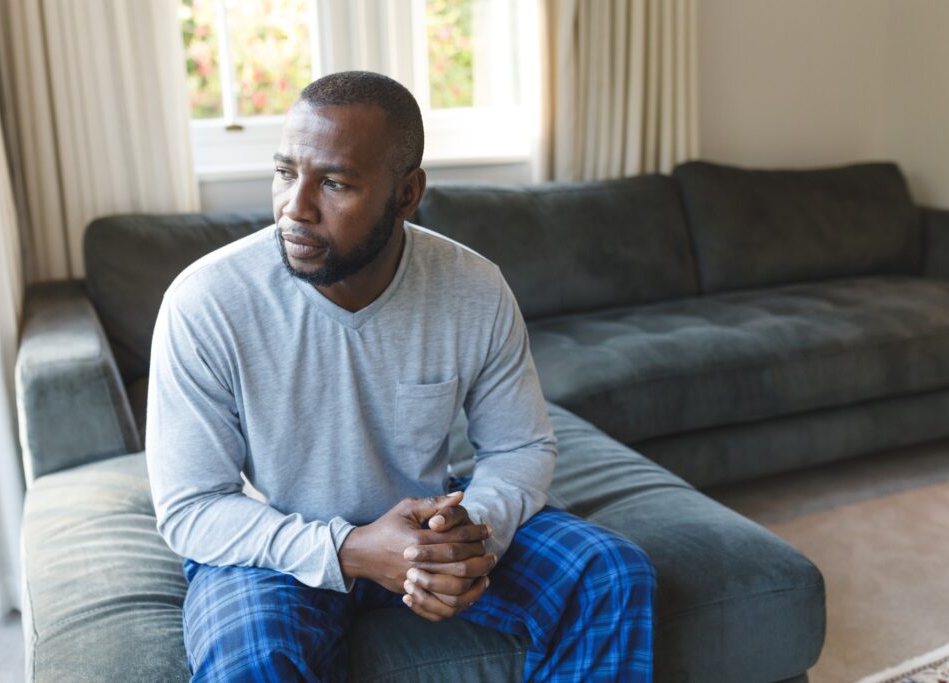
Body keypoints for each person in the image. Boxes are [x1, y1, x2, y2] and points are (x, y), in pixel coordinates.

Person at [146, 70, 656, 682]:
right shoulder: (207, 300)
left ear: (407, 193)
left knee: (610, 576)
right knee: (252, 660)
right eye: (286, 173)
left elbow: (520, 446)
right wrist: (351, 549)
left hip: (428, 530)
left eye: (334, 183)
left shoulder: (472, 287)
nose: (295, 208)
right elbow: (192, 507)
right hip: (275, 545)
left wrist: (469, 537)